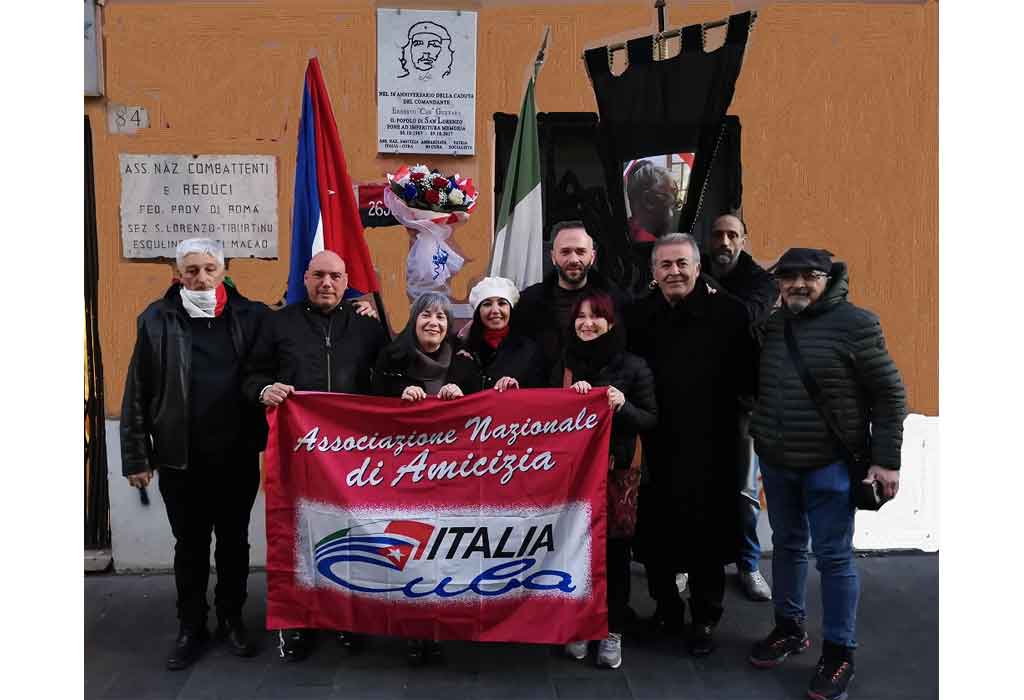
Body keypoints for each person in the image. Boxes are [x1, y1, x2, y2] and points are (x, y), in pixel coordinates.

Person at [748, 248, 906, 700]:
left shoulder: (857, 324)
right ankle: (790, 628)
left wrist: (886, 461)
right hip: (778, 462)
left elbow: (890, 395)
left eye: (808, 276)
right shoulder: (775, 325)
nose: (797, 284)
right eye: (788, 277)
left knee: (834, 558)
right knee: (787, 547)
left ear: (828, 277)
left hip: (831, 466)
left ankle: (839, 653)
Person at [121, 238, 269, 670]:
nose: (201, 277)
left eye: (209, 268)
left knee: (234, 543)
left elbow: (295, 336)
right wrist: (136, 456)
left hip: (237, 453)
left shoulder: (252, 316)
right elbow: (138, 390)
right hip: (179, 458)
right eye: (192, 270)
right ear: (178, 274)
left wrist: (360, 308)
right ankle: (191, 626)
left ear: (224, 270)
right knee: (189, 546)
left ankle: (231, 618)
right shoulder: (156, 319)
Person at [242, 249, 389, 663]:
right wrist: (263, 390)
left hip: (353, 459)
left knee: (349, 537)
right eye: (319, 275)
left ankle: (345, 615)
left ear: (346, 282)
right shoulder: (278, 324)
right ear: (305, 279)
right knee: (295, 537)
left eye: (336, 277)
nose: (327, 284)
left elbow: (394, 370)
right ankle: (297, 621)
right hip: (295, 455)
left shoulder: (366, 327)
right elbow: (251, 374)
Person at [626, 233, 758, 657]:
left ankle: (704, 617)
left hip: (713, 444)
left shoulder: (731, 314)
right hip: (655, 444)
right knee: (656, 534)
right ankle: (666, 608)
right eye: (665, 265)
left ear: (698, 267)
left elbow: (750, 380)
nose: (674, 272)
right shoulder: (639, 315)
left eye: (682, 263)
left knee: (708, 538)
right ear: (653, 272)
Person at [370, 291, 477, 665]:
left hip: (449, 476)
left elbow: (484, 412)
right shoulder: (391, 357)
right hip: (402, 475)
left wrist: (463, 396)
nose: (434, 323)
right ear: (414, 320)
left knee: (442, 553)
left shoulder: (463, 362)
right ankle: (412, 630)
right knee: (407, 548)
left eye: (441, 317)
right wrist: (398, 394)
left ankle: (438, 627)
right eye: (426, 315)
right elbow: (369, 404)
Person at [553, 290, 657, 670]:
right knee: (573, 552)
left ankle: (612, 630)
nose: (587, 323)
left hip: (615, 476)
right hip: (569, 480)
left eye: (596, 316)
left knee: (613, 556)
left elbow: (650, 418)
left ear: (610, 323)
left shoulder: (633, 366)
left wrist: (621, 404)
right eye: (580, 317)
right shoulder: (563, 363)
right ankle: (580, 624)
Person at [702, 212, 780, 602]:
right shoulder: (692, 269)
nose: (725, 242)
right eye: (718, 235)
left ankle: (749, 564)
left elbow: (748, 316)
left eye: (732, 235)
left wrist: (710, 291)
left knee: (745, 492)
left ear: (744, 240)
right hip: (697, 400)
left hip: (745, 402)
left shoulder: (762, 283)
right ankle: (689, 561)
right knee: (693, 485)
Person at [514, 220, 630, 373]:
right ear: (553, 257)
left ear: (592, 256)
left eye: (581, 251)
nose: (574, 260)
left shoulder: (617, 302)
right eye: (565, 252)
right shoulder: (528, 303)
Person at [458, 276, 545, 393]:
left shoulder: (528, 350)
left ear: (510, 309)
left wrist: (515, 388)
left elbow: (538, 393)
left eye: (502, 303)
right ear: (478, 311)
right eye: (487, 304)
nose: (495, 310)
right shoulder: (463, 348)